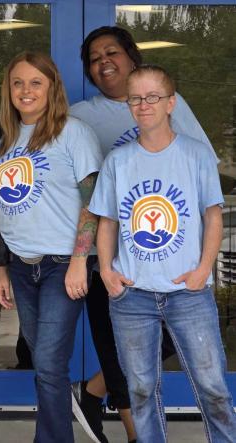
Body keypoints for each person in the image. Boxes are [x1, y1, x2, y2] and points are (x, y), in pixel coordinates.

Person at [70, 25, 217, 443]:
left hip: (173, 251)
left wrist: (205, 248)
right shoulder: (80, 116)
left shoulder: (172, 104)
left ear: (132, 58)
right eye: (95, 58)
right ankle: (137, 435)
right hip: (110, 252)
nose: (104, 62)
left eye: (112, 52)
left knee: (173, 333)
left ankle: (92, 390)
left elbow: (200, 164)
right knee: (116, 343)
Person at [0, 51, 102, 443]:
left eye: (36, 82)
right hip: (21, 266)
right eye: (18, 82)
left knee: (50, 363)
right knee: (43, 362)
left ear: (52, 87)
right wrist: (2, 269)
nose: (26, 90)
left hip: (61, 265)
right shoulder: (4, 137)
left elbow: (93, 202)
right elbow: (4, 208)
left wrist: (79, 261)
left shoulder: (73, 132)